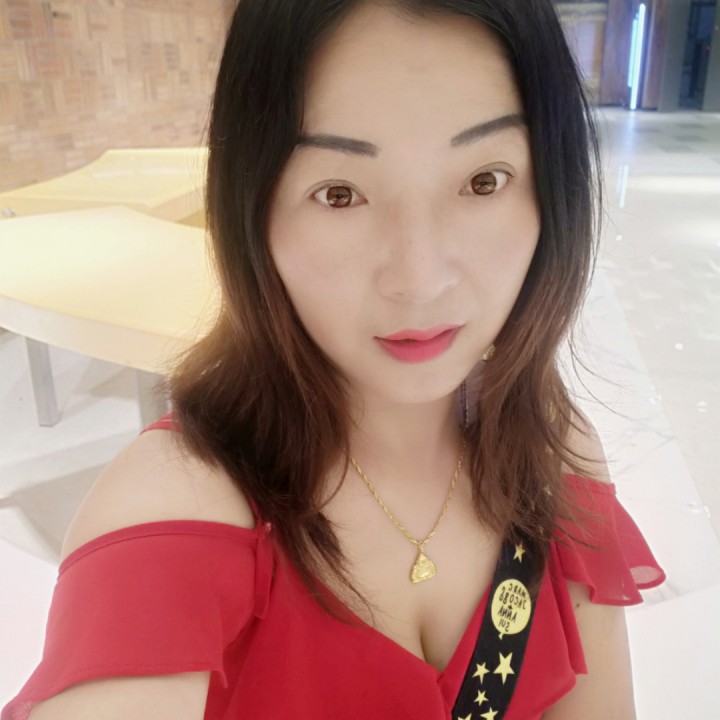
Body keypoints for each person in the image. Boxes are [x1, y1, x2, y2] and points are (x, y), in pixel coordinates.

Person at [3, 1, 666, 718]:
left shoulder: (555, 456)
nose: (419, 279)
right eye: (340, 194)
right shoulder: (180, 505)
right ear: (254, 210)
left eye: (484, 180)